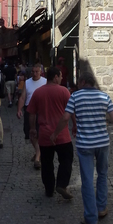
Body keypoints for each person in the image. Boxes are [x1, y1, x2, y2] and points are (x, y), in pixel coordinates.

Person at [51, 72, 113, 224]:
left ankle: (91, 218)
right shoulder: (104, 97)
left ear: (83, 81)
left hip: (85, 144)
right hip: (102, 143)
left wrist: (55, 134)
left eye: (79, 83)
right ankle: (101, 208)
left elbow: (66, 118)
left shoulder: (75, 97)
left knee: (87, 180)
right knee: (102, 175)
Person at [26, 66, 75, 199]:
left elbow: (31, 113)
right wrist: (75, 125)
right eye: (60, 76)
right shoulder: (64, 92)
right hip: (62, 135)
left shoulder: (38, 92)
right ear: (55, 77)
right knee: (66, 160)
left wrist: (32, 129)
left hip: (45, 135)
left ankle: (49, 189)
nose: (62, 78)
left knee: (47, 163)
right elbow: (71, 112)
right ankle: (61, 184)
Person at [17, 63, 46, 169]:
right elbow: (22, 97)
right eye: (33, 71)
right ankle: (39, 152)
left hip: (41, 110)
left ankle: (38, 157)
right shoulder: (27, 82)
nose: (34, 74)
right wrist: (19, 109)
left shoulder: (45, 82)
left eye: (36, 71)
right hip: (29, 109)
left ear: (41, 72)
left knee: (38, 133)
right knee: (30, 133)